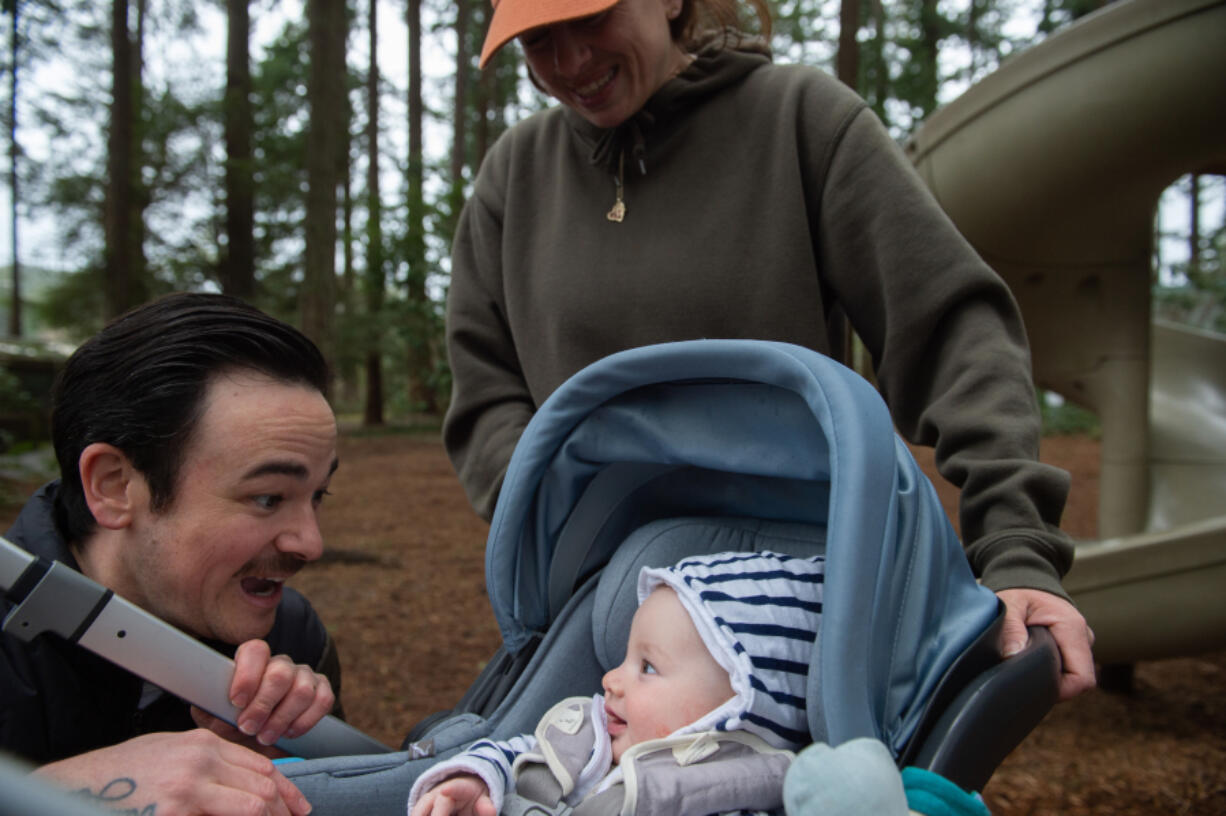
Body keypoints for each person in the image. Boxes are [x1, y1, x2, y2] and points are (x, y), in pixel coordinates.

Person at [441, 0, 1095, 701]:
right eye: (539, 40)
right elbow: (486, 389)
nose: (570, 62)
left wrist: (1015, 547)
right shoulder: (516, 176)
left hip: (791, 610)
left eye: (593, 19)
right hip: (591, 614)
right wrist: (555, 534)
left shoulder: (799, 122)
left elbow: (953, 329)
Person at [1, 292, 342, 815]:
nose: (310, 543)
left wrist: (296, 769)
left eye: (316, 496)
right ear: (115, 485)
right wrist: (59, 794)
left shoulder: (291, 642)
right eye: (268, 497)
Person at [408, 550, 824, 816]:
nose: (609, 679)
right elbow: (513, 753)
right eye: (625, 658)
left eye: (647, 667)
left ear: (737, 707)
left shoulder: (732, 799)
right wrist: (478, 779)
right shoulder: (592, 737)